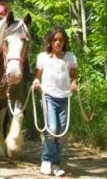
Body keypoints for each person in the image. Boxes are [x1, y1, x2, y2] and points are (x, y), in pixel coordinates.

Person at [32, 26, 78, 177]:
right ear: (50, 41)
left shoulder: (70, 57)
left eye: (61, 40)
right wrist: (36, 83)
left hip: (64, 97)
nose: (58, 43)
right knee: (52, 129)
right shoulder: (42, 57)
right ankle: (46, 160)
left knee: (62, 132)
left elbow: (74, 76)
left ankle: (56, 164)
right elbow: (37, 76)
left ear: (65, 42)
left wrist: (73, 83)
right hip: (48, 96)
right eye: (55, 40)